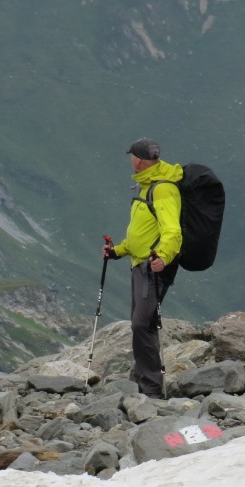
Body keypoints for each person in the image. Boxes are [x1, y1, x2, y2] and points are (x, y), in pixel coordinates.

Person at [103, 138, 183, 398]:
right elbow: (142, 233)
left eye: (131, 158)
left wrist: (163, 256)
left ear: (137, 160)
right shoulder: (146, 185)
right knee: (141, 323)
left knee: (142, 324)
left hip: (153, 267)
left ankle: (151, 390)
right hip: (140, 266)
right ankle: (143, 380)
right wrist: (118, 251)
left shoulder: (162, 190)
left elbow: (173, 231)